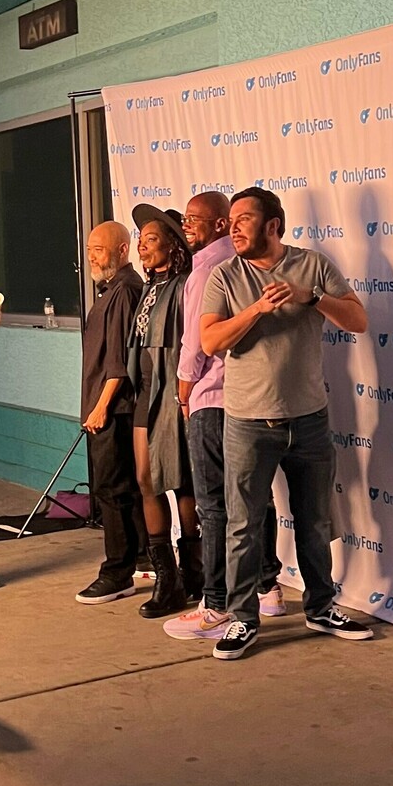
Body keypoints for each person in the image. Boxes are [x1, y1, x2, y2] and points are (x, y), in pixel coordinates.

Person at [200, 187, 376, 661]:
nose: (233, 227)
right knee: (244, 526)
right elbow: (211, 341)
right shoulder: (224, 275)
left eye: (244, 219)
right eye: (231, 220)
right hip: (247, 422)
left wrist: (311, 297)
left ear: (273, 225)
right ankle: (242, 618)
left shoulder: (312, 266)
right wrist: (256, 310)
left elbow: (358, 320)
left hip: (310, 419)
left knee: (315, 522)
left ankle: (321, 608)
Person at [163, 191, 285, 643]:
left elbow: (196, 342)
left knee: (214, 504)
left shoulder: (206, 270)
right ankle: (268, 587)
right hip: (250, 399)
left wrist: (184, 389)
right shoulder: (245, 264)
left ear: (217, 224)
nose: (186, 226)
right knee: (254, 500)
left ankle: (215, 603)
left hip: (213, 399)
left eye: (193, 219)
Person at [128, 206, 199, 620]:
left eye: (151, 239)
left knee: (183, 482)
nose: (142, 245)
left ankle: (195, 573)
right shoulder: (149, 287)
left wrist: (182, 394)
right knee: (147, 480)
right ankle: (167, 578)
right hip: (146, 392)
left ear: (174, 246)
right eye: (140, 240)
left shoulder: (186, 285)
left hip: (174, 390)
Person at [76, 222, 147, 605]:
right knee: (126, 489)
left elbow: (120, 362)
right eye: (89, 249)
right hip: (108, 406)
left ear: (122, 250)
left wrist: (101, 407)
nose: (92, 256)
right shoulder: (112, 289)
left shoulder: (124, 291)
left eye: (99, 249)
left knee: (112, 490)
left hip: (114, 409)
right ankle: (143, 558)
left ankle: (117, 573)